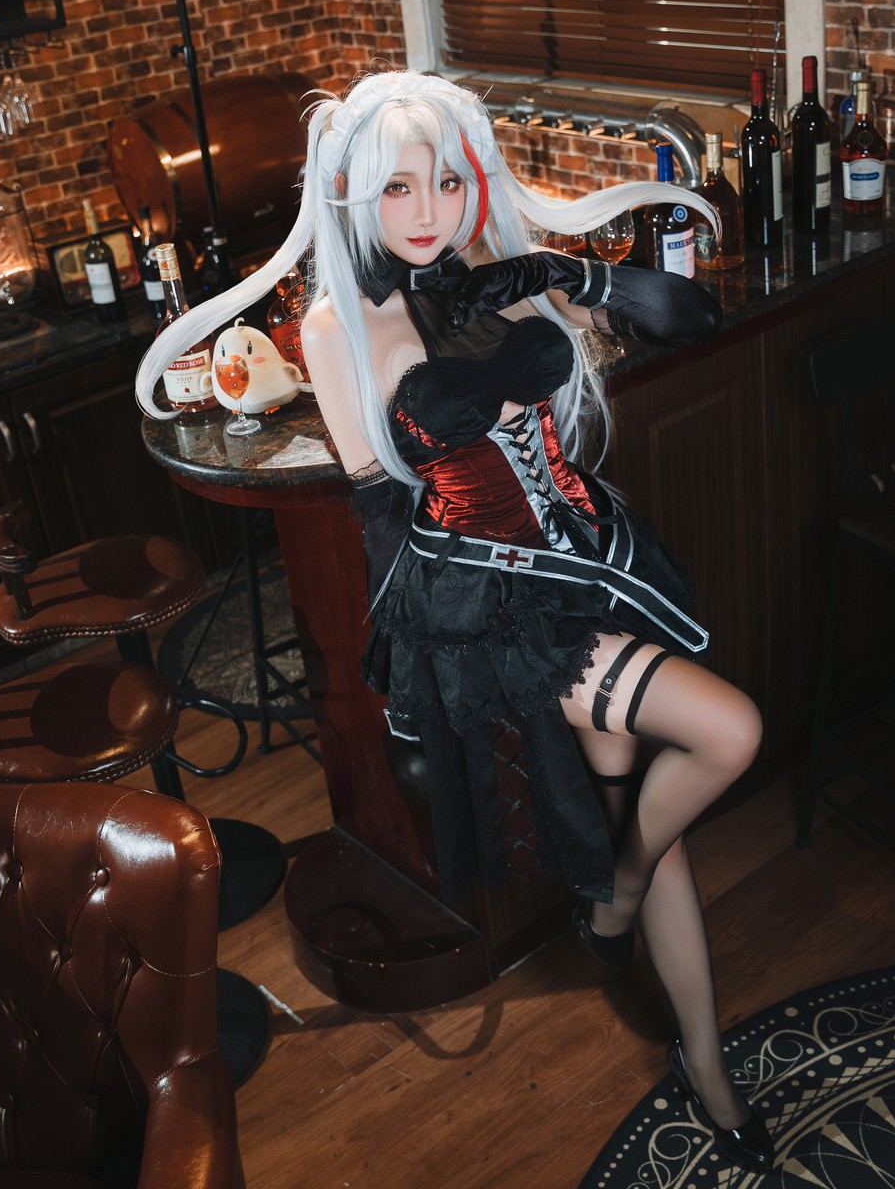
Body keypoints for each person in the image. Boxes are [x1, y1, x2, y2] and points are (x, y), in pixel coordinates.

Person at [135, 72, 774, 1173]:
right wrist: (415, 660)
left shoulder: (493, 269)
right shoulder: (335, 325)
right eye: (397, 187)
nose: (427, 209)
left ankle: (699, 1049)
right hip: (496, 605)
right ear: (353, 192)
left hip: (589, 561)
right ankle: (617, 900)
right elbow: (378, 509)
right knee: (731, 730)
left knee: (646, 822)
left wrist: (566, 272)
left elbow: (689, 314)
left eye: (444, 180)